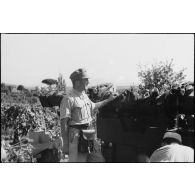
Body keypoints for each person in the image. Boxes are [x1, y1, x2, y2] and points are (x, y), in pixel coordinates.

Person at [60, 68, 117, 162]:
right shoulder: (68, 99)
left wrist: (109, 100)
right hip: (76, 136)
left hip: (89, 133)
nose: (88, 82)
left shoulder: (84, 96)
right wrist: (65, 144)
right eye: (86, 80)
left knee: (99, 160)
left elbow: (94, 106)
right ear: (78, 82)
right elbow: (63, 123)